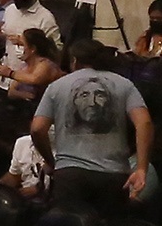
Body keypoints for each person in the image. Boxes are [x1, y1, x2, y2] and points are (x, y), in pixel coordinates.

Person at [29, 36, 151, 213]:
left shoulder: (57, 86)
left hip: (70, 174)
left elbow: (37, 128)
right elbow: (145, 123)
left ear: (74, 61)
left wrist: (51, 161)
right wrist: (141, 168)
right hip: (113, 175)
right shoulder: (125, 85)